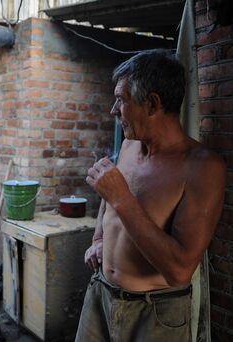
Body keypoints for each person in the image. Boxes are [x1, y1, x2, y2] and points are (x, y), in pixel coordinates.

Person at [75, 49, 226, 341]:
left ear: (153, 104)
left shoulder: (202, 167)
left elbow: (180, 270)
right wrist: (99, 239)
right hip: (101, 294)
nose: (113, 110)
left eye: (121, 100)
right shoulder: (131, 145)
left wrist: (122, 198)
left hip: (155, 315)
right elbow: (110, 198)